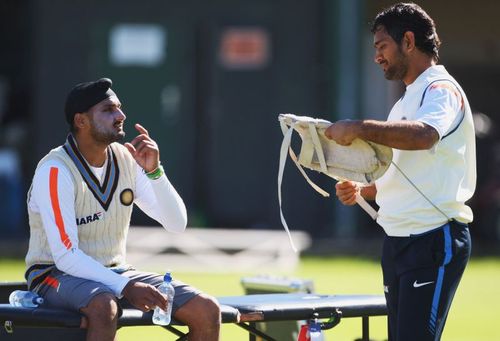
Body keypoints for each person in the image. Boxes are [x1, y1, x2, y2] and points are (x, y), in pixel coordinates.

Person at [24, 78, 221, 341]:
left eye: (119, 107)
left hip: (115, 272)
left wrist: (155, 172)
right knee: (105, 308)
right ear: (81, 121)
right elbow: (65, 256)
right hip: (52, 275)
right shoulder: (54, 169)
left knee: (207, 310)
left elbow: (177, 224)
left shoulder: (126, 158)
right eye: (108, 110)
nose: (121, 116)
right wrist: (125, 286)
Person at [324, 3, 475, 341]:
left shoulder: (441, 89)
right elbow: (402, 174)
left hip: (434, 237)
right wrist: (363, 190)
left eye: (382, 46)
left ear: (408, 41)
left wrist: (359, 127)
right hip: (397, 240)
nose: (377, 56)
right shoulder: (405, 100)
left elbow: (424, 136)